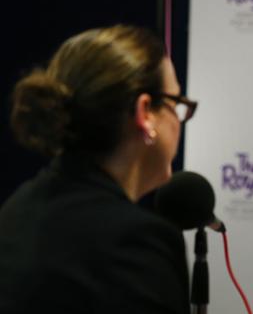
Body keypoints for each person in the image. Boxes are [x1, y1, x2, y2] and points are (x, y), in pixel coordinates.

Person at [0, 25, 198, 313]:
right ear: (145, 113)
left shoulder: (17, 209)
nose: (179, 121)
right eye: (176, 104)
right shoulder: (135, 244)